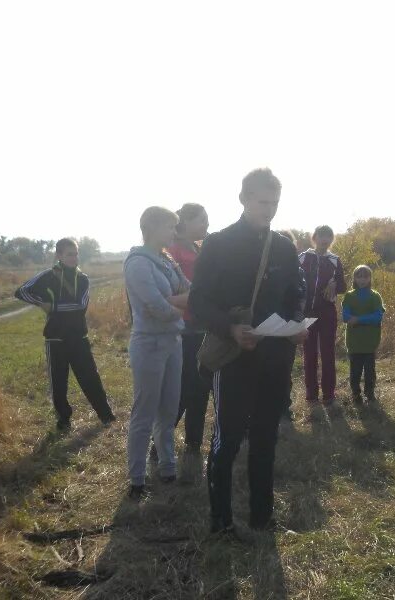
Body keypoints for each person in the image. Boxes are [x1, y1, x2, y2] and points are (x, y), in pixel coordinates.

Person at [189, 168, 307, 536]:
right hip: (234, 359)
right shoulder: (219, 244)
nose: (269, 210)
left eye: (275, 203)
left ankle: (262, 518)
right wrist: (230, 328)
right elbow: (198, 302)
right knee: (227, 439)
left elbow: (295, 294)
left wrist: (298, 324)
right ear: (243, 199)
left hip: (274, 359)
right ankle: (221, 522)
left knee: (266, 437)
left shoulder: (286, 247)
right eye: (262, 203)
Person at [15, 238, 116, 430]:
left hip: (79, 337)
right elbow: (21, 292)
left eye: (76, 253)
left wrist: (52, 307)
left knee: (90, 378)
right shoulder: (47, 276)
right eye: (69, 254)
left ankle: (106, 415)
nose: (74, 257)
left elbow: (80, 306)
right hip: (55, 338)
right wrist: (40, 302)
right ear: (59, 256)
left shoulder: (83, 279)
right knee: (58, 383)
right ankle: (64, 418)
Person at [124, 207, 190, 500]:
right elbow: (156, 308)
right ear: (151, 228)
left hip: (172, 341)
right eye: (169, 227)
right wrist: (182, 308)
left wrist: (174, 302)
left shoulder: (167, 260)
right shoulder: (138, 263)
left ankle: (167, 466)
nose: (174, 233)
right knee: (145, 411)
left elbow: (192, 291)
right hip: (149, 343)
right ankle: (137, 477)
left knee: (169, 409)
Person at [167, 203, 212, 456]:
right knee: (184, 386)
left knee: (201, 384)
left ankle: (193, 441)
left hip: (202, 326)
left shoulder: (198, 248)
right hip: (183, 328)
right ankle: (161, 438)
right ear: (185, 223)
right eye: (202, 220)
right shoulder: (172, 252)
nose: (207, 224)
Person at [299, 226, 346, 406]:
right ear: (314, 237)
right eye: (321, 236)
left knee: (328, 353)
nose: (325, 239)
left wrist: (334, 284)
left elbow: (343, 285)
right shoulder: (303, 257)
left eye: (328, 236)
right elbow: (294, 280)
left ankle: (329, 395)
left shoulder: (335, 260)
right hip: (307, 313)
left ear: (332, 239)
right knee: (309, 353)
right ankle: (311, 395)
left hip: (327, 313)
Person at [341, 265, 384, 404]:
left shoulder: (375, 296)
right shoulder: (349, 296)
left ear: (370, 278)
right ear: (354, 278)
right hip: (354, 341)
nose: (362, 280)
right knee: (355, 371)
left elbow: (378, 317)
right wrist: (364, 319)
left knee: (370, 371)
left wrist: (358, 319)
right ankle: (356, 394)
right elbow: (346, 316)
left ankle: (370, 393)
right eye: (359, 276)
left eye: (365, 276)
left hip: (370, 341)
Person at [276, 229, 307, 421]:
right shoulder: (263, 268)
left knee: (285, 369)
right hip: (266, 327)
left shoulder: (298, 271)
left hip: (289, 327)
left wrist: (297, 323)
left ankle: (284, 409)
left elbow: (302, 298)